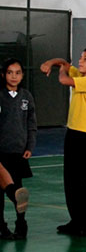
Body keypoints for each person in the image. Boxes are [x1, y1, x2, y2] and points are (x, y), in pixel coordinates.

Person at [40, 48, 86, 237]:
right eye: (81, 57)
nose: (81, 61)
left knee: (79, 180)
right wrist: (52, 62)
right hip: (73, 131)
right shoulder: (81, 75)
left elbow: (64, 78)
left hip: (85, 134)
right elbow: (64, 62)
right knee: (70, 179)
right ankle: (76, 219)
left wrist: (60, 70)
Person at [0, 58, 36, 239]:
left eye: (18, 72)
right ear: (3, 74)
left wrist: (30, 145)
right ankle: (2, 227)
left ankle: (21, 224)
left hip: (18, 151)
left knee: (18, 189)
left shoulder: (26, 96)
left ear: (22, 75)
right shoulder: (0, 96)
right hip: (1, 151)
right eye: (9, 72)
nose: (13, 76)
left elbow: (31, 123)